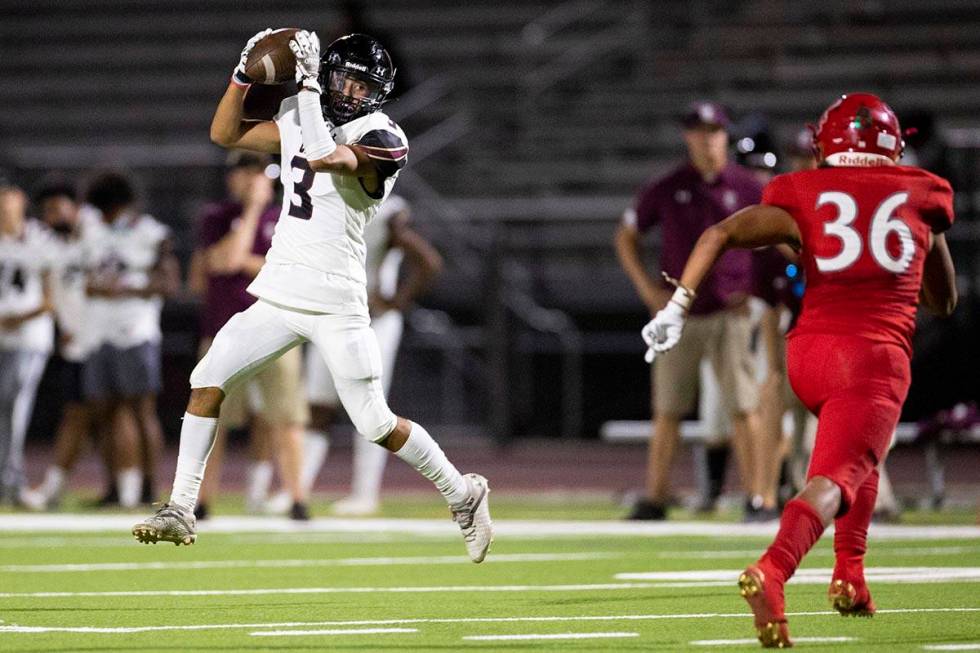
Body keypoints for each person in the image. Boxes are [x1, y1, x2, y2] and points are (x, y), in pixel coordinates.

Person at [133, 30, 492, 563]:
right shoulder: (300, 114)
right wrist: (242, 76)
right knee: (206, 380)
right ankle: (181, 506)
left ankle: (463, 493)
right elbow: (225, 133)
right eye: (341, 78)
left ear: (379, 92)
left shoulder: (384, 135)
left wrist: (302, 87)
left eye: (360, 83)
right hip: (279, 292)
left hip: (336, 301)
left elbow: (326, 156)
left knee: (374, 422)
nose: (348, 90)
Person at [642, 93, 957, 648]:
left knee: (859, 461)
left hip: (807, 354)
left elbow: (718, 234)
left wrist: (676, 306)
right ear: (893, 145)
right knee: (837, 477)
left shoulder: (803, 192)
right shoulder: (920, 194)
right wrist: (918, 244)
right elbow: (944, 300)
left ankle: (850, 576)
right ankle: (774, 569)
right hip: (871, 357)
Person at [614, 101, 764, 520]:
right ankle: (655, 495)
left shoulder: (748, 186)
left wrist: (756, 289)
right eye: (698, 131)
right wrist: (648, 291)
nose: (706, 139)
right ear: (687, 136)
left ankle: (757, 495)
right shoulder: (668, 185)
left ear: (725, 134)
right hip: (677, 313)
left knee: (744, 406)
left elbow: (781, 237)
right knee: (667, 409)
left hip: (729, 311)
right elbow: (626, 236)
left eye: (712, 131)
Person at [299, 193, 443, 516]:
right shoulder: (326, 199)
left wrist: (396, 301)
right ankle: (299, 488)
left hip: (372, 320)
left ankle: (365, 493)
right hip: (332, 314)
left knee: (369, 406)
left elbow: (429, 262)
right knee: (317, 405)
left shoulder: (387, 212)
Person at [187, 151, 312, 521]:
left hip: (278, 332)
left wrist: (247, 260)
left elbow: (294, 273)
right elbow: (222, 262)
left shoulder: (289, 217)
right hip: (223, 332)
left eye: (256, 172)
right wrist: (253, 213)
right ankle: (201, 500)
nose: (249, 179)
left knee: (288, 418)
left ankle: (298, 499)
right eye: (243, 171)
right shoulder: (216, 217)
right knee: (210, 419)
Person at [83, 172, 179, 508]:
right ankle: (113, 487)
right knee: (103, 412)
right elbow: (86, 281)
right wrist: (99, 287)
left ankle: (150, 488)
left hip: (136, 330)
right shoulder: (94, 233)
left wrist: (129, 288)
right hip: (99, 330)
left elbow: (170, 284)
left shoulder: (151, 234)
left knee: (141, 411)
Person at [21, 182, 101, 510]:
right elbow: (55, 291)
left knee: (84, 417)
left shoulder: (97, 232)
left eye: (56, 209)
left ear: (75, 206)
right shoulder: (54, 243)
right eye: (46, 212)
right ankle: (123, 488)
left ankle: (54, 487)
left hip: (104, 340)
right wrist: (62, 327)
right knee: (84, 416)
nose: (51, 218)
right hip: (77, 344)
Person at [0, 182, 55, 505]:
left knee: (14, 405)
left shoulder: (39, 239)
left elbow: (50, 298)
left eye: (10, 203)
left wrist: (16, 319)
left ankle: (12, 478)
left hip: (28, 338)